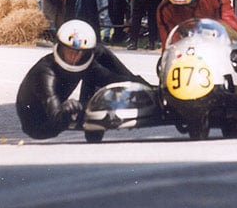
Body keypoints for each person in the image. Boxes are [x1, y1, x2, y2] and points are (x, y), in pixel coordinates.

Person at [15, 19, 146, 140]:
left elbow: (110, 78)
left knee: (101, 52)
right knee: (74, 109)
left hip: (61, 112)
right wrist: (67, 109)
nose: (73, 57)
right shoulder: (45, 73)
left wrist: (139, 85)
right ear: (59, 47)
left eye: (79, 52)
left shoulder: (86, 63)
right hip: (40, 125)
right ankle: (90, 117)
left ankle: (148, 91)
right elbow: (55, 114)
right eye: (69, 50)